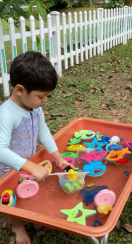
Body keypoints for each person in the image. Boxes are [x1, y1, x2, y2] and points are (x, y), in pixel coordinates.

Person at [0, 51, 73, 244]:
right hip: (6, 170)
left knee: (26, 189)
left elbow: (43, 132)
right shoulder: (6, 114)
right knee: (11, 198)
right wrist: (31, 166)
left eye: (47, 96)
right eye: (41, 96)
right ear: (20, 90)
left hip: (26, 163)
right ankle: (18, 227)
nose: (45, 100)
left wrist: (57, 157)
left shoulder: (35, 107)